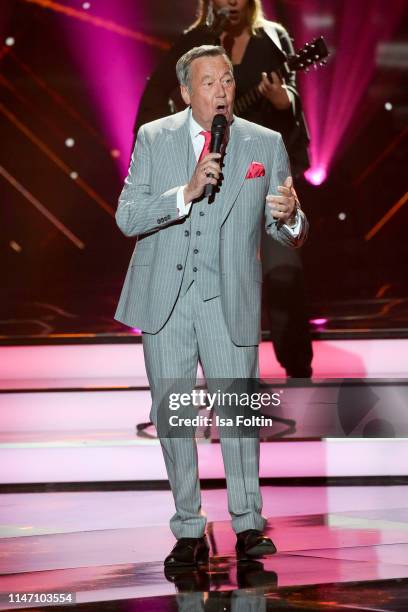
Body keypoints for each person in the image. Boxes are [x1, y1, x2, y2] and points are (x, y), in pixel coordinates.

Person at [115, 45, 308, 567]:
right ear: (185, 91)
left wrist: (291, 216)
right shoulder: (154, 138)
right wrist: (186, 191)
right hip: (166, 301)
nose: (222, 91)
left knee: (238, 416)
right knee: (174, 417)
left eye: (226, 80)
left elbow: (287, 230)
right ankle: (188, 528)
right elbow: (128, 217)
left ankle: (248, 524)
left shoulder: (264, 143)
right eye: (209, 83)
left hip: (230, 299)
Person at [134, 0, 313, 379]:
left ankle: (296, 367)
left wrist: (281, 98)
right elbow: (156, 95)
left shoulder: (271, 37)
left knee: (284, 273)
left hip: (258, 174)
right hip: (207, 176)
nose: (230, 2)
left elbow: (292, 99)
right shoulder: (196, 40)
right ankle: (217, 377)